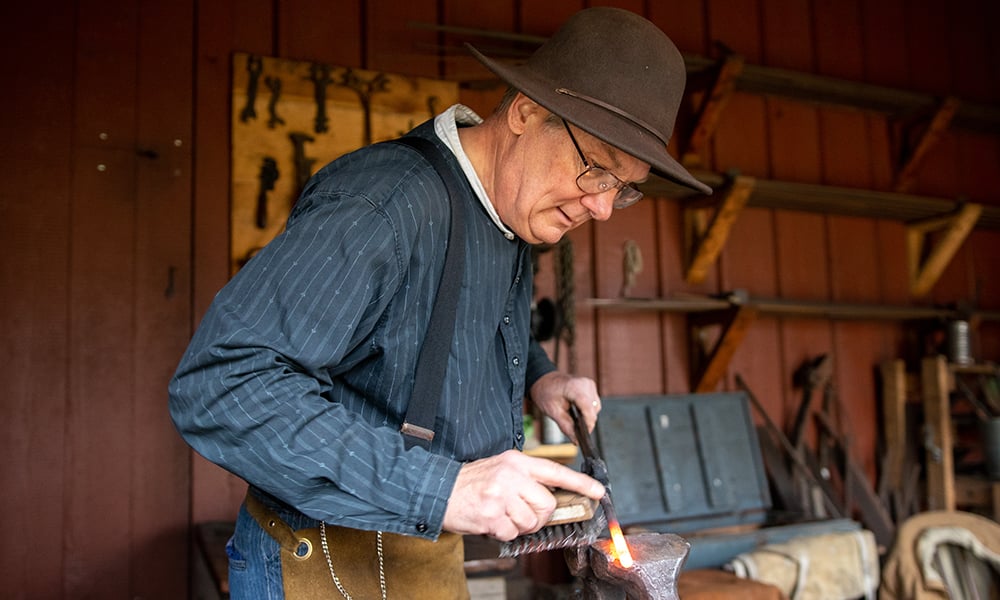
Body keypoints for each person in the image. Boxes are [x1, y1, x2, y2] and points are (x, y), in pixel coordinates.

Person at [169, 6, 710, 599]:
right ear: (527, 113)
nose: (603, 208)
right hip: (321, 560)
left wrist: (541, 377)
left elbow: (461, 321)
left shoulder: (512, 212)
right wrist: (447, 489)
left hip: (425, 554)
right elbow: (224, 380)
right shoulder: (385, 204)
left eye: (621, 188)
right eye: (596, 171)